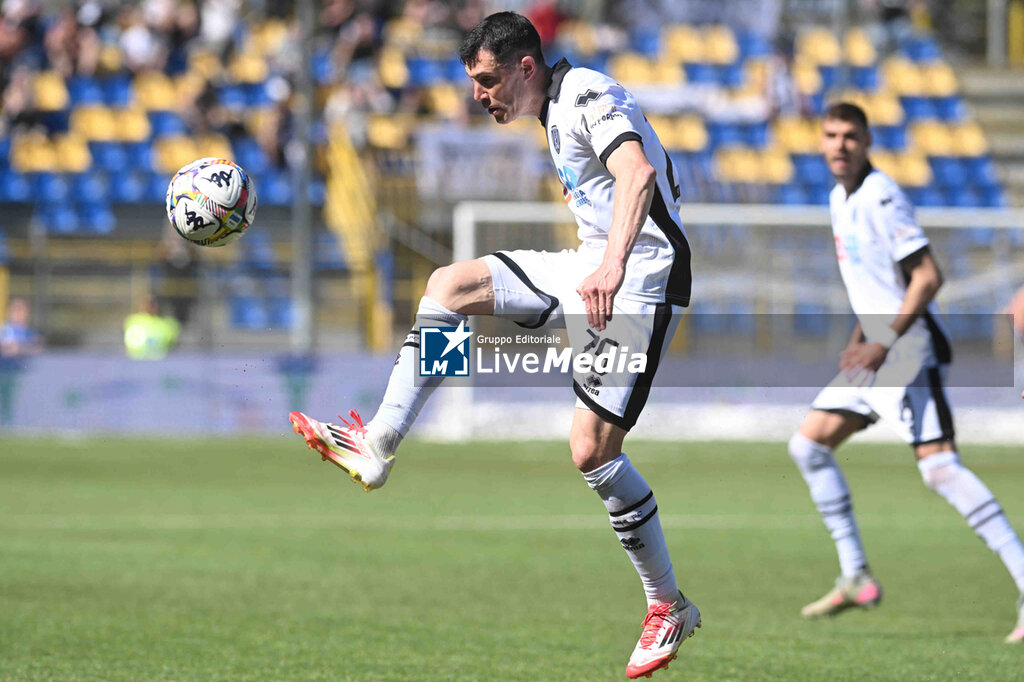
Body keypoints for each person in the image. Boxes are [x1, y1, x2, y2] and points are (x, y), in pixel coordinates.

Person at [288, 11, 699, 678]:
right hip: (591, 265)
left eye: (486, 80)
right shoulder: (555, 110)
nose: (479, 94)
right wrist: (598, 262)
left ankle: (667, 605)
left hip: (638, 282)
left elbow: (638, 175)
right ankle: (380, 443)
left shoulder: (588, 93)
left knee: (591, 450)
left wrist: (614, 264)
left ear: (524, 67)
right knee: (451, 287)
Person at [787, 102, 1024, 644]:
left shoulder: (881, 195)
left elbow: (927, 276)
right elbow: (873, 284)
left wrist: (884, 340)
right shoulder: (837, 198)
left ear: (868, 141)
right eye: (831, 134)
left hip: (906, 351)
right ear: (821, 142)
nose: (840, 144)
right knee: (809, 446)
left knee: (940, 470)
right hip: (877, 351)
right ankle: (856, 576)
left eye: (851, 135)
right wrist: (860, 340)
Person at [0, 296, 41, 426]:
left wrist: (19, 349)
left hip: (21, 374)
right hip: (4, 372)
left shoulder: (29, 332)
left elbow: (36, 347)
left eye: (21, 310)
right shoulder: (5, 330)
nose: (18, 314)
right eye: (15, 310)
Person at [124, 295, 179, 360]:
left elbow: (171, 345)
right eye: (147, 304)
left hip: (160, 361)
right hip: (137, 360)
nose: (149, 307)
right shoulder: (133, 321)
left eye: (152, 304)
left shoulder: (168, 324)